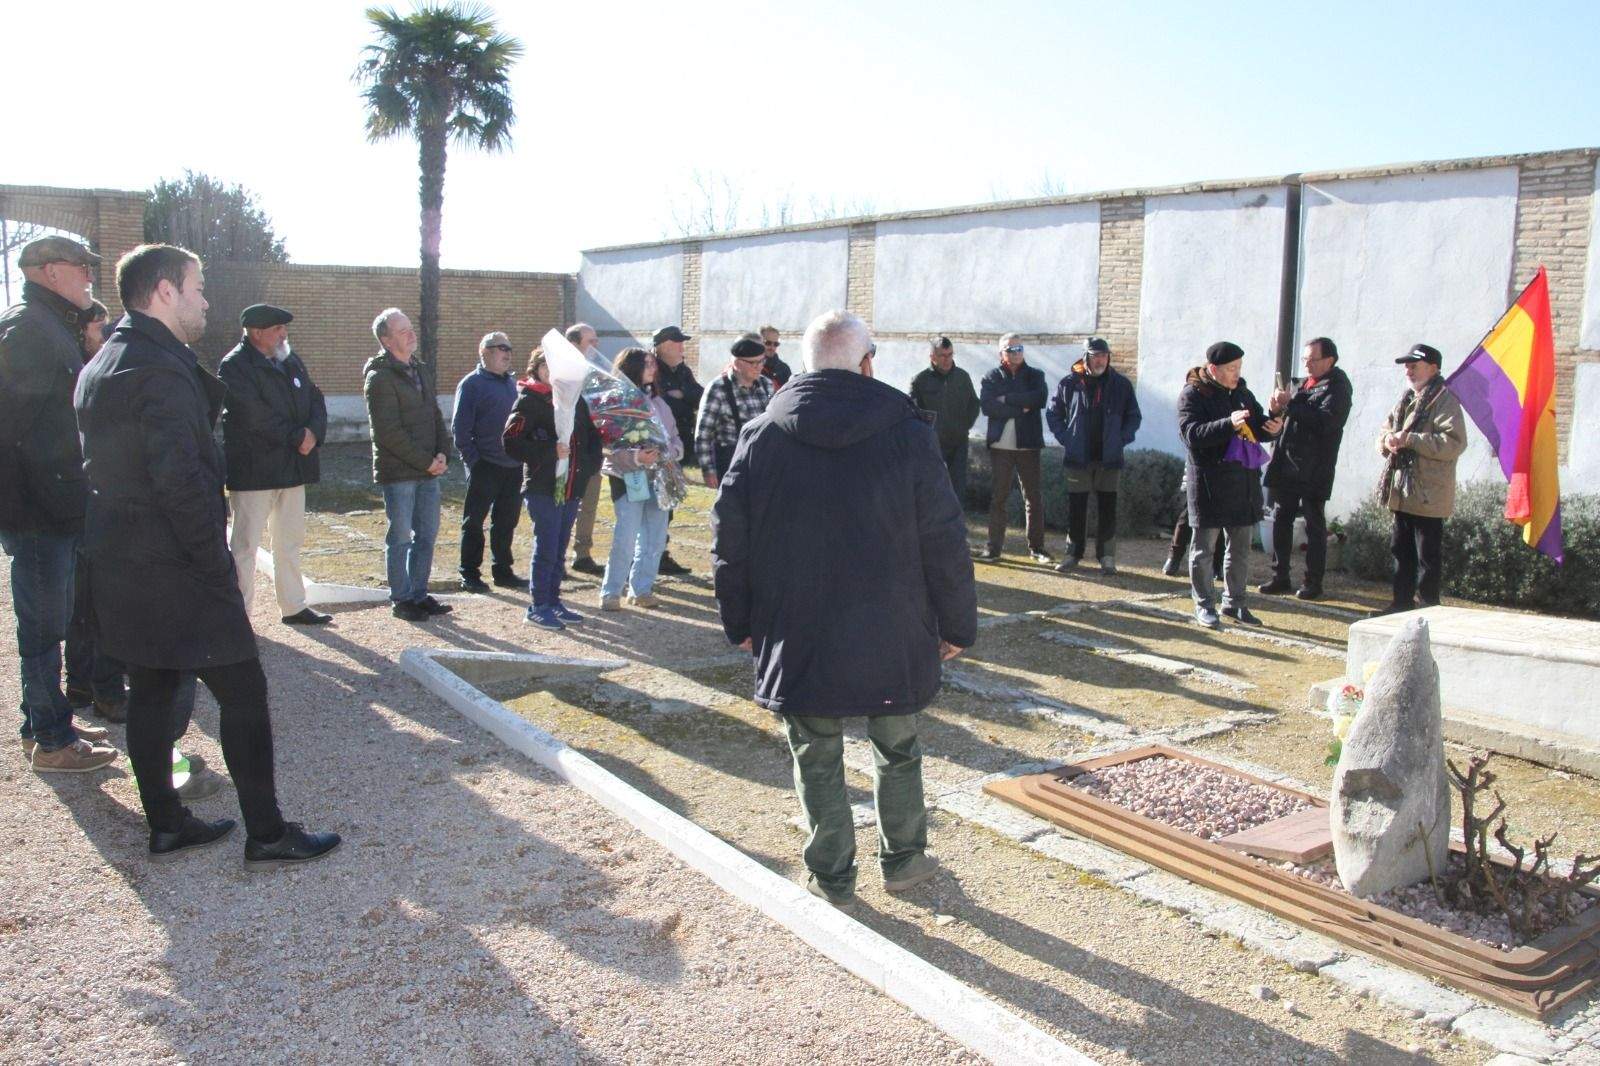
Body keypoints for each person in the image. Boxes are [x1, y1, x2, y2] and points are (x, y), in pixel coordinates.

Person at [74, 243, 338, 865]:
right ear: (165, 291)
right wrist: (213, 564)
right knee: (243, 693)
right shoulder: (159, 371)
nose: (206, 301)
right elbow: (180, 483)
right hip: (176, 564)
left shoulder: (106, 359)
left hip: (124, 561)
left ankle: (167, 824)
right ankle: (267, 834)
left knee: (153, 688)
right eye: (197, 288)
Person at [711, 310, 976, 907]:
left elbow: (731, 541)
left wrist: (740, 621)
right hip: (892, 621)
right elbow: (944, 537)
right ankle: (904, 859)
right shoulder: (907, 433)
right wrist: (958, 622)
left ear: (805, 363)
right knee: (897, 746)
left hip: (798, 623)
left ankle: (832, 874)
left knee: (815, 751)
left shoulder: (762, 434)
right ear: (867, 363)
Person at [0, 236, 119, 771]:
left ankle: (44, 723)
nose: (89, 277)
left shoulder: (51, 325)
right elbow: (11, 429)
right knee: (44, 629)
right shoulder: (29, 329)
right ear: (49, 272)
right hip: (40, 512)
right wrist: (41, 498)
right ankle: (51, 741)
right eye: (81, 268)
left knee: (50, 624)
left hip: (56, 504)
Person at [219, 303, 332, 627]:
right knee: (245, 546)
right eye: (278, 329)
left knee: (289, 541)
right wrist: (297, 436)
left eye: (284, 328)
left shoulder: (289, 360)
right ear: (257, 333)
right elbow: (252, 415)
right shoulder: (235, 366)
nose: (284, 334)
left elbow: (315, 398)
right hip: (255, 470)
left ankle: (293, 606)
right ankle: (239, 617)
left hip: (293, 467)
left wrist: (314, 432)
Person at [1177, 341, 1282, 629]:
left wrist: (1274, 423)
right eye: (1231, 368)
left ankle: (1235, 603)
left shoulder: (1242, 393)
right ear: (1213, 369)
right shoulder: (1193, 394)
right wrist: (1228, 423)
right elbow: (1191, 434)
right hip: (1209, 483)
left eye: (1239, 367)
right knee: (1204, 550)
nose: (1237, 373)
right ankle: (1204, 605)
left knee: (1240, 549)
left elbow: (1256, 428)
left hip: (1243, 482)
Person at [504, 348, 603, 629]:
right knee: (546, 545)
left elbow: (592, 438)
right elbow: (511, 441)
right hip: (542, 486)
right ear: (535, 368)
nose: (551, 371)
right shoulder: (529, 399)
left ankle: (553, 600)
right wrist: (549, 451)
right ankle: (538, 606)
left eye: (555, 366)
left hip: (571, 486)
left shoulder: (574, 399)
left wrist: (587, 467)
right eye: (545, 366)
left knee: (560, 546)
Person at [364, 307, 452, 622]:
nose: (411, 333)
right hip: (400, 472)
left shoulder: (420, 369)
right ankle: (401, 598)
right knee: (401, 537)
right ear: (387, 340)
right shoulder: (379, 377)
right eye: (402, 331)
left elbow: (434, 415)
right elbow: (388, 433)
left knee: (427, 535)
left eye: (410, 327)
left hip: (429, 470)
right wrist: (426, 462)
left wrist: (443, 452)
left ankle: (419, 593)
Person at [64, 299, 128, 722]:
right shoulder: (85, 373)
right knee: (94, 601)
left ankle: (87, 684)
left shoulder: (91, 368)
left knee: (90, 601)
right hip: (86, 499)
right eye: (98, 326)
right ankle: (100, 688)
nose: (104, 334)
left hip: (89, 497)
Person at [1376, 343, 1468, 615]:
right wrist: (1387, 442)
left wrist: (1411, 439)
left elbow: (1453, 443)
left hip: (1429, 493)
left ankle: (1428, 608)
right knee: (1400, 550)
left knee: (1427, 556)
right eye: (1407, 366)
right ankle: (1401, 603)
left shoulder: (1445, 400)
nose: (1408, 370)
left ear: (1433, 368)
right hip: (1403, 490)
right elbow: (1385, 430)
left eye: (1414, 365)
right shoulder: (1406, 399)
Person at [1259, 336, 1353, 601]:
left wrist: (1290, 404)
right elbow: (1282, 419)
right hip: (1286, 460)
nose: (1307, 364)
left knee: (1314, 524)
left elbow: (1325, 422)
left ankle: (1313, 582)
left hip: (1315, 466)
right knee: (1281, 518)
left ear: (1329, 360)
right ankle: (1280, 576)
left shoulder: (1338, 387)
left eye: (1313, 359)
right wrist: (1275, 409)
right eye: (1305, 359)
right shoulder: (1299, 384)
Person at [1046, 337, 1142, 574]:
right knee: (1076, 509)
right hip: (1078, 459)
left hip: (1109, 459)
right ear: (1086, 357)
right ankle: (1072, 554)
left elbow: (1133, 416)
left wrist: (1121, 439)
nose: (1100, 360)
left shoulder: (1121, 384)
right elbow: (1053, 413)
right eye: (1096, 356)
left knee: (1108, 509)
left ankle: (1107, 557)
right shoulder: (1069, 383)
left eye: (1104, 356)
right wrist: (1067, 438)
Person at [598, 348, 682, 610]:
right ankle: (611, 592)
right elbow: (608, 443)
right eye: (647, 364)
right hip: (629, 477)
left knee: (655, 538)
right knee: (625, 536)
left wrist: (673, 452)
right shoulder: (615, 401)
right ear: (631, 367)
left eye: (653, 364)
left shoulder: (659, 403)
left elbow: (674, 437)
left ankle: (641, 589)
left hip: (660, 478)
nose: (653, 368)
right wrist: (637, 457)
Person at [452, 330, 524, 592]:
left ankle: (503, 571)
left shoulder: (512, 384)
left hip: (513, 466)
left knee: (506, 521)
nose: (507, 353)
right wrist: (475, 462)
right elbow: (460, 430)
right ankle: (469, 573)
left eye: (509, 349)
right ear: (485, 352)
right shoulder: (472, 384)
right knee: (474, 522)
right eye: (502, 348)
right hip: (485, 465)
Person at [975, 333, 1051, 562]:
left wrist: (1006, 399)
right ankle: (993, 548)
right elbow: (988, 407)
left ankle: (1037, 548)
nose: (1016, 353)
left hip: (1028, 444)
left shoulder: (1036, 375)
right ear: (1001, 353)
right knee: (999, 497)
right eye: (1010, 349)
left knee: (1033, 498)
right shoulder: (991, 377)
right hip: (1001, 446)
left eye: (1019, 348)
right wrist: (1021, 408)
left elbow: (1039, 398)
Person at [650, 325, 700, 578]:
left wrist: (682, 393)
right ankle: (651, 554)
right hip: (657, 448)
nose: (682, 347)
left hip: (678, 447)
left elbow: (699, 396)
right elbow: (659, 404)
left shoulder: (682, 371)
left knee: (668, 503)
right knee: (655, 505)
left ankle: (660, 552)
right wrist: (677, 399)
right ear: (663, 346)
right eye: (678, 342)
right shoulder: (650, 368)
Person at [694, 334, 774, 488]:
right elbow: (703, 434)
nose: (759, 367)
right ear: (737, 363)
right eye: (753, 363)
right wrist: (708, 471)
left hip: (763, 462)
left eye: (761, 361)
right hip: (731, 464)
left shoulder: (767, 385)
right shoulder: (718, 388)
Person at [908, 336, 981, 503]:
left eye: (950, 355)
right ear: (932, 356)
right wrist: (925, 434)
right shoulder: (920, 380)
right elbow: (913, 411)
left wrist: (965, 426)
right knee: (931, 486)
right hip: (932, 443)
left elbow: (974, 404)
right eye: (943, 355)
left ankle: (957, 519)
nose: (947, 359)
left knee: (957, 488)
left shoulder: (962, 377)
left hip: (958, 442)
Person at [563, 322, 607, 576]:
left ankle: (582, 553)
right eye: (591, 341)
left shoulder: (596, 374)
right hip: (567, 451)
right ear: (573, 344)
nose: (596, 345)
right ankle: (555, 556)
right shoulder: (559, 373)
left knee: (588, 505)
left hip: (592, 450)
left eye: (596, 340)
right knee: (562, 505)